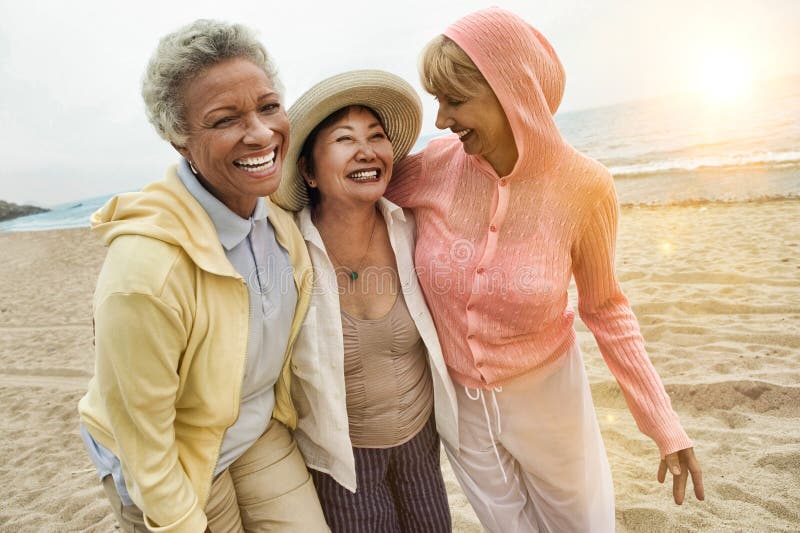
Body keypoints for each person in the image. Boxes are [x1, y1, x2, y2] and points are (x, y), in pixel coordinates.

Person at [384, 7, 705, 532]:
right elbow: (343, 194)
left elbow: (607, 311)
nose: (441, 120)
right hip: (459, 407)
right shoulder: (432, 166)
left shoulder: (586, 186)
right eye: (437, 100)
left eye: (456, 100)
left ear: (513, 91)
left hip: (550, 398)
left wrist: (663, 424)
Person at [77, 20, 328, 532]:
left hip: (255, 428)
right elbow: (144, 438)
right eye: (224, 120)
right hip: (166, 454)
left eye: (268, 106)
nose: (260, 132)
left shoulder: (277, 218)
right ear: (180, 142)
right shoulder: (144, 271)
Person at [270, 70, 457, 532]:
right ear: (310, 171)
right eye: (345, 139)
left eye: (376, 136)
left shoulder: (411, 228)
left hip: (420, 444)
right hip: (342, 462)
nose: (367, 150)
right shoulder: (285, 248)